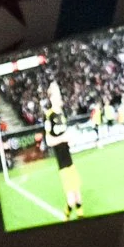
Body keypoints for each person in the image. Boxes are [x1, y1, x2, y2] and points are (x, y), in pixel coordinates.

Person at [44, 79, 83, 220]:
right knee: (71, 200)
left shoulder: (62, 114)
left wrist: (69, 140)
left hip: (70, 161)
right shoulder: (49, 116)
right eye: (57, 93)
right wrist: (63, 138)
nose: (60, 96)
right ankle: (66, 215)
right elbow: (49, 140)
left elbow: (65, 137)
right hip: (62, 164)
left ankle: (80, 216)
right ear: (52, 97)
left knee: (79, 196)